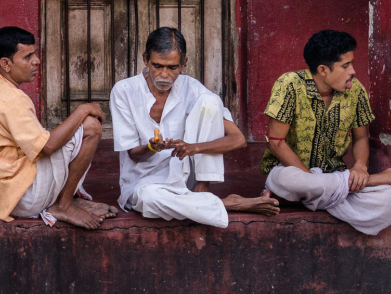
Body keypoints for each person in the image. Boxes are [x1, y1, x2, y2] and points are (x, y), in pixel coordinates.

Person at [110, 27, 279, 227]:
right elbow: (133, 154)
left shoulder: (192, 89)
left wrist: (194, 148)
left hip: (185, 176)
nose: (164, 74)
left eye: (173, 68)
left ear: (184, 63)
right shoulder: (124, 91)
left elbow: (238, 139)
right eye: (157, 66)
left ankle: (202, 189)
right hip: (144, 182)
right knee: (148, 199)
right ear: (146, 59)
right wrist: (151, 147)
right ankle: (228, 203)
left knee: (211, 102)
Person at [262, 30, 391, 235]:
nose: (352, 71)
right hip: (292, 172)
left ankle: (311, 197)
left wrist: (360, 167)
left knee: (390, 200)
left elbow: (361, 137)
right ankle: (384, 177)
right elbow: (275, 141)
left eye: (351, 64)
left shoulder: (355, 90)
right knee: (288, 181)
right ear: (323, 70)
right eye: (346, 66)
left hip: (332, 175)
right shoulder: (290, 84)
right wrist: (311, 181)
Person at [0, 26, 115, 228]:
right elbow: (47, 147)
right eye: (27, 57)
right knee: (91, 126)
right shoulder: (11, 98)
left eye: (35, 54)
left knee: (70, 130)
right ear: (6, 64)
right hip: (23, 195)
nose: (36, 61)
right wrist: (83, 110)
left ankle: (67, 199)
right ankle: (63, 205)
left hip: (6, 194)